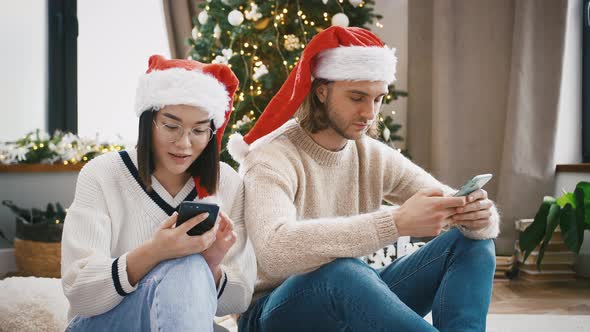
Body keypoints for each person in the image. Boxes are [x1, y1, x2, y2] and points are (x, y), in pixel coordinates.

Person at [228, 26, 500, 331]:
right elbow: (275, 252)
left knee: (470, 245)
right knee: (344, 271)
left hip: (348, 293)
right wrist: (394, 224)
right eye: (357, 97)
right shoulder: (270, 157)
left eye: (378, 99)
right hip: (272, 312)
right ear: (321, 91)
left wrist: (476, 216)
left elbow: (449, 201)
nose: (370, 113)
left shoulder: (370, 154)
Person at [61, 55, 256, 331]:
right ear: (148, 120)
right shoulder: (102, 174)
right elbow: (80, 292)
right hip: (102, 323)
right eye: (171, 126)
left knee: (193, 274)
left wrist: (210, 264)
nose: (184, 143)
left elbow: (240, 297)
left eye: (199, 130)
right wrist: (155, 251)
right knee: (186, 268)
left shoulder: (227, 182)